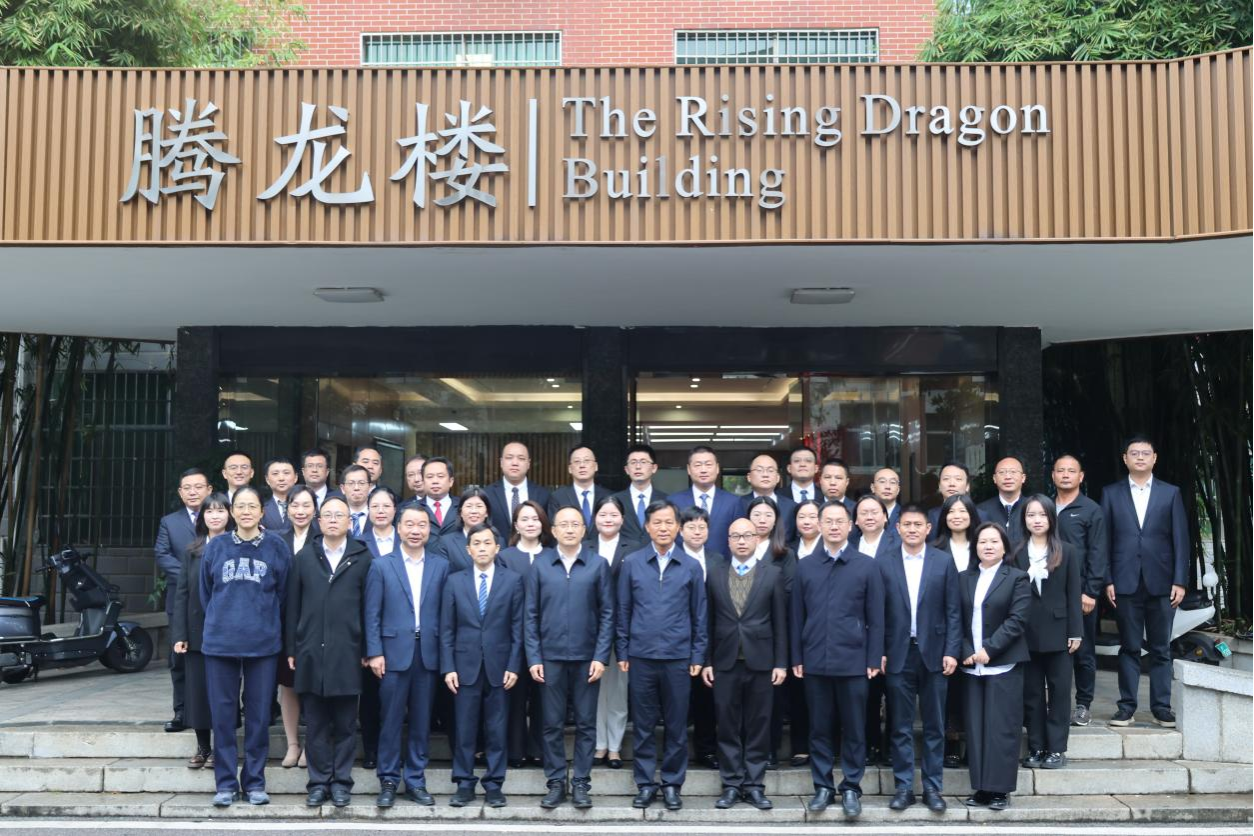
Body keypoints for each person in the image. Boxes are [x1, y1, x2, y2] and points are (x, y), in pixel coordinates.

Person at [791, 500, 883, 819]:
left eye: (839, 521)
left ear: (850, 525)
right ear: (818, 525)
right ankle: (823, 786)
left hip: (854, 661)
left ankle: (852, 787)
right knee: (819, 727)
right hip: (814, 659)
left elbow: (877, 617)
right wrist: (797, 655)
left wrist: (874, 657)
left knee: (855, 728)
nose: (833, 526)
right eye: (827, 521)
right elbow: (796, 616)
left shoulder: (866, 566)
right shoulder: (805, 566)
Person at [199, 486, 291, 808]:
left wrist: (265, 622)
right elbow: (206, 593)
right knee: (223, 717)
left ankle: (254, 782)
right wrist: (223, 620)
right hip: (220, 643)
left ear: (262, 511)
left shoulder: (276, 547)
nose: (246, 511)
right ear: (232, 511)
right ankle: (225, 783)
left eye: (253, 506)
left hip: (263, 644)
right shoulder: (217, 546)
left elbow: (283, 595)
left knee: (258, 716)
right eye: (240, 506)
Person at [617, 500, 708, 812]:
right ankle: (645, 784)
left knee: (676, 725)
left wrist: (697, 655)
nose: (664, 528)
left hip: (678, 657)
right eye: (657, 522)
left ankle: (671, 784)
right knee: (643, 725)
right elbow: (623, 609)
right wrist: (622, 649)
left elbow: (700, 615)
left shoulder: (691, 566)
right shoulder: (632, 563)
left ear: (678, 527)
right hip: (640, 656)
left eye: (670, 522)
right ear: (647, 527)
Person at [285, 495, 373, 808]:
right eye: (328, 515)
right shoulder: (305, 557)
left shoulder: (362, 557)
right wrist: (292, 647)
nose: (333, 520)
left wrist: (368, 648)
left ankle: (341, 783)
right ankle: (318, 783)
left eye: (340, 515)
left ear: (350, 522)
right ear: (319, 521)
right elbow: (292, 606)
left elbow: (369, 608)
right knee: (316, 724)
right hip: (310, 650)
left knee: (346, 725)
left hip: (349, 652)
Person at [526, 506, 614, 810]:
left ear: (583, 529)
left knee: (586, 724)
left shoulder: (597, 564)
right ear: (553, 530)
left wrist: (601, 656)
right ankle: (555, 782)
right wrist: (534, 657)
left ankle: (581, 783)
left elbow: (608, 613)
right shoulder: (540, 565)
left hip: (587, 658)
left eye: (575, 524)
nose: (569, 529)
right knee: (551, 723)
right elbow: (530, 614)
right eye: (563, 524)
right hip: (549, 657)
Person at [1101, 435, 1188, 729]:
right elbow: (1105, 541)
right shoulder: (1111, 493)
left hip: (1162, 583)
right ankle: (1126, 707)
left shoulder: (1171, 493)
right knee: (1129, 647)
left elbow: (1181, 540)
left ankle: (1161, 708)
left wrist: (1180, 580)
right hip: (1124, 582)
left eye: (1145, 453)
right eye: (1134, 453)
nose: (1140, 457)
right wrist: (1108, 579)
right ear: (1125, 458)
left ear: (1154, 458)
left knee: (1162, 648)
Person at [365, 504, 450, 808]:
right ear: (399, 528)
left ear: (429, 530)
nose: (416, 531)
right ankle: (388, 779)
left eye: (422, 525)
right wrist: (374, 651)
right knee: (389, 719)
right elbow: (371, 614)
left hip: (427, 654)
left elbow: (446, 615)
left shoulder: (441, 566)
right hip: (391, 654)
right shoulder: (381, 565)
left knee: (421, 720)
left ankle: (415, 779)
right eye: (410, 525)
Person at [880, 504, 961, 813]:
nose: (912, 529)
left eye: (918, 524)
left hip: (935, 653)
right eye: (907, 524)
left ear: (928, 529)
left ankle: (932, 787)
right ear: (897, 528)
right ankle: (903, 787)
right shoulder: (884, 562)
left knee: (934, 725)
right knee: (899, 725)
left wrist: (952, 650)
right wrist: (879, 652)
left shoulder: (943, 561)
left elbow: (954, 611)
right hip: (897, 653)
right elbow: (876, 613)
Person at [703, 518, 787, 811]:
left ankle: (754, 785)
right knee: (726, 725)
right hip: (724, 662)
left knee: (758, 725)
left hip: (762, 661)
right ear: (728, 541)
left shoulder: (772, 574)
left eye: (747, 536)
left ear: (756, 539)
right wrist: (707, 661)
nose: (741, 541)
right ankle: (731, 784)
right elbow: (708, 620)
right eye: (735, 536)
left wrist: (781, 663)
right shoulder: (715, 574)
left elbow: (781, 622)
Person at [441, 523, 524, 809]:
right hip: (464, 666)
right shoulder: (455, 581)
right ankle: (464, 783)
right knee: (464, 728)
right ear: (468, 549)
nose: (482, 548)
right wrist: (448, 667)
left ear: (497, 547)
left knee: (497, 729)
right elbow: (447, 628)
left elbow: (518, 628)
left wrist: (514, 665)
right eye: (476, 543)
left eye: (487, 543)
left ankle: (494, 784)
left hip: (501, 667)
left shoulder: (512, 581)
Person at [960, 522, 1031, 811]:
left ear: (1004, 547)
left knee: (1001, 729)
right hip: (971, 667)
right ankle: (981, 787)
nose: (988, 546)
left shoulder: (1017, 577)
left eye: (994, 541)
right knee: (976, 730)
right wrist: (966, 650)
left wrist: (989, 649)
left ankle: (999, 789)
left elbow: (1018, 619)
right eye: (982, 542)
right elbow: (954, 617)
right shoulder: (964, 578)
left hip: (1002, 664)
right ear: (975, 547)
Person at [1014, 495, 1082, 770]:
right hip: (1026, 633)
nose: (1037, 520)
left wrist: (1076, 631)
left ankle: (1056, 749)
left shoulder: (1067, 551)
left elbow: (1073, 593)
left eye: (1042, 514)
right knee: (1031, 694)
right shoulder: (1016, 552)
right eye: (1031, 515)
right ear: (1024, 520)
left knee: (1059, 692)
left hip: (1059, 632)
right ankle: (1037, 746)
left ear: (1052, 518)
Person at [171, 491, 232, 770]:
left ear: (229, 515)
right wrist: (180, 634)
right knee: (197, 691)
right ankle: (203, 746)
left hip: (228, 633)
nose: (215, 516)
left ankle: (222, 747)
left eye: (220, 510)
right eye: (209, 511)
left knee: (224, 692)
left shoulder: (236, 546)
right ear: (202, 517)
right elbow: (182, 594)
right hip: (197, 631)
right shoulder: (192, 551)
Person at [1051, 454, 1109, 728]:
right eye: (1060, 470)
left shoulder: (1091, 509)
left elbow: (1098, 553)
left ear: (1081, 476)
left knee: (1083, 652)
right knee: (1051, 649)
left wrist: (1091, 592)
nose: (1065, 475)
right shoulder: (1044, 507)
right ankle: (1054, 703)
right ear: (1053, 475)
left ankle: (1083, 704)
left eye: (1071, 471)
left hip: (1080, 593)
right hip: (1049, 593)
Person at [745, 496, 802, 768]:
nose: (762, 520)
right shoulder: (739, 548)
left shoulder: (785, 554)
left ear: (776, 520)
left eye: (768, 515)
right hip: (742, 635)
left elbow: (787, 593)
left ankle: (770, 749)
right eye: (756, 514)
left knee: (773, 697)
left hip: (772, 632)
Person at [155, 467, 211, 733]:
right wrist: (192, 576)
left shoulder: (221, 516)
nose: (193, 492)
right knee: (179, 658)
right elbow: (162, 555)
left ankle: (213, 711)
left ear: (209, 490)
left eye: (198, 487)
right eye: (187, 488)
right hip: (180, 600)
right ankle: (181, 711)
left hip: (214, 602)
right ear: (180, 492)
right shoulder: (170, 522)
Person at [497, 500, 551, 768]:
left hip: (546, 637)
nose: (531, 524)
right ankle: (515, 751)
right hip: (512, 636)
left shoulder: (552, 555)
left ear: (543, 524)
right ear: (516, 525)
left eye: (535, 519)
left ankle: (538, 749)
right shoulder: (505, 557)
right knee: (515, 696)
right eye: (525, 519)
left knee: (543, 696)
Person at [929, 493, 982, 768]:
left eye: (963, 511)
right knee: (949, 690)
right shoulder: (934, 548)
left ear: (972, 515)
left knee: (975, 690)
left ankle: (974, 744)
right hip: (944, 628)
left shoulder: (983, 546)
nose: (957, 516)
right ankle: (950, 743)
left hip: (978, 627)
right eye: (951, 512)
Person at [852, 494, 896, 765]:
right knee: (865, 695)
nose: (869, 517)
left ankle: (890, 748)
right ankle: (869, 745)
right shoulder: (848, 546)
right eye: (863, 513)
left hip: (891, 630)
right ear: (855, 521)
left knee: (892, 694)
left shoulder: (898, 546)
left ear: (885, 517)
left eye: (874, 512)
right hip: (857, 635)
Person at [590, 495, 633, 769]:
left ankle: (615, 747)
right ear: (594, 518)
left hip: (622, 627)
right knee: (594, 690)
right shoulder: (584, 547)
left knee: (617, 690)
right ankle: (599, 744)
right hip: (590, 629)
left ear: (623, 519)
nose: (608, 519)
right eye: (603, 514)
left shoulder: (635, 548)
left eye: (613, 514)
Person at [678, 505, 720, 770]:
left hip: (711, 637)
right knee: (679, 702)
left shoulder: (718, 560)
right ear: (680, 530)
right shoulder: (674, 558)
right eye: (691, 526)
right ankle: (677, 752)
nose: (697, 531)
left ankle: (706, 750)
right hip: (679, 638)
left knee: (707, 700)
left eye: (702, 527)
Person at [670, 445, 740, 559]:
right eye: (698, 465)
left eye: (708, 464)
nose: (703, 470)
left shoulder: (733, 502)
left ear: (717, 468)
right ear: (689, 469)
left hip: (722, 565)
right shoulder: (674, 501)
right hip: (683, 565)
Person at [484, 441, 552, 542]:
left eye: (521, 458)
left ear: (528, 464)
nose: (515, 463)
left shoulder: (543, 495)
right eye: (509, 458)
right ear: (501, 462)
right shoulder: (487, 494)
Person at [612, 443, 664, 549]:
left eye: (643, 462)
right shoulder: (615, 501)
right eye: (633, 462)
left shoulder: (666, 500)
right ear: (626, 469)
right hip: (624, 556)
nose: (638, 466)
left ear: (654, 468)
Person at [547, 445, 612, 528]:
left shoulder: (609, 496)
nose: (582, 465)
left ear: (596, 466)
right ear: (570, 469)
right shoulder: (558, 497)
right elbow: (555, 529)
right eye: (577, 461)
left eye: (587, 460)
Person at [739, 453, 798, 543]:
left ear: (778, 478)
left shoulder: (792, 507)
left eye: (770, 470)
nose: (765, 474)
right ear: (749, 477)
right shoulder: (737, 505)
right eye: (759, 470)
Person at [439, 488, 495, 574]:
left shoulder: (497, 540)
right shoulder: (446, 542)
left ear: (487, 512)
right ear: (460, 512)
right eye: (469, 506)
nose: (474, 511)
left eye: (479, 506)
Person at [977, 457, 1028, 545]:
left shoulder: (1033, 508)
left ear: (1023, 478)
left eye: (1013, 472)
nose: (1008, 477)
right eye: (1002, 472)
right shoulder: (981, 510)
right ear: (994, 478)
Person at [421, 457, 460, 537]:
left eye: (440, 476)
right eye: (430, 477)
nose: (435, 481)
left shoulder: (462, 506)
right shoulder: (412, 509)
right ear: (423, 481)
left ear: (451, 481)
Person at [928, 462, 972, 529]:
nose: (952, 484)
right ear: (939, 485)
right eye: (946, 479)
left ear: (967, 486)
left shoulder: (981, 515)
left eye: (958, 479)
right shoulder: (930, 515)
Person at [261, 457, 298, 535]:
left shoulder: (305, 505)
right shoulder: (260, 507)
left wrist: (268, 532)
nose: (281, 478)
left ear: (295, 477)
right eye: (275, 474)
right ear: (267, 480)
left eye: (286, 473)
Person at [363, 487, 401, 560]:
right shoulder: (359, 543)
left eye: (386, 506)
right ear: (368, 510)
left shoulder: (405, 539)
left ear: (395, 509)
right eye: (375, 506)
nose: (380, 511)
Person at [339, 465, 372, 540]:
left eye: (361, 483)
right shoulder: (335, 516)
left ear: (369, 487)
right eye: (351, 483)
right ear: (343, 488)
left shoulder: (378, 514)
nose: (356, 488)